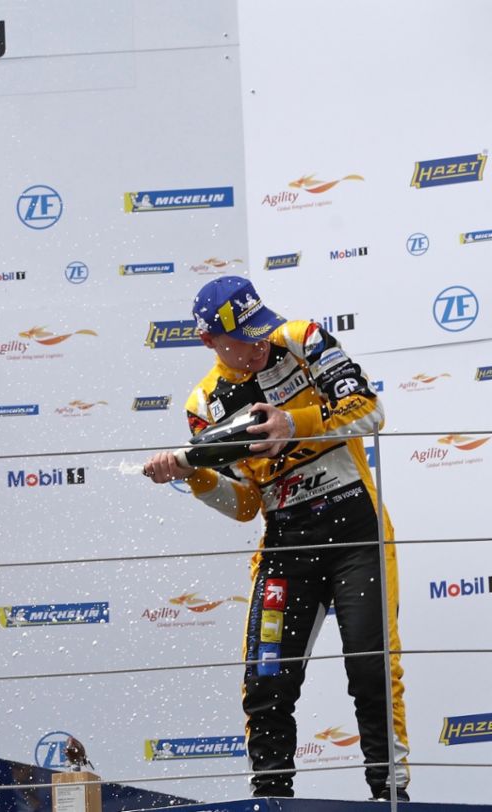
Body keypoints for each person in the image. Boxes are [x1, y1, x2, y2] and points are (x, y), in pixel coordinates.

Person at [142, 276, 408, 801]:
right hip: (286, 541)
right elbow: (244, 506)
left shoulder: (304, 339)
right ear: (209, 343)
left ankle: (391, 795)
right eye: (244, 337)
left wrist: (295, 423)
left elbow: (372, 412)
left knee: (369, 665)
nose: (259, 342)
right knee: (267, 681)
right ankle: (270, 798)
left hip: (356, 528)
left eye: (259, 327)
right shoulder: (205, 403)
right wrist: (192, 474)